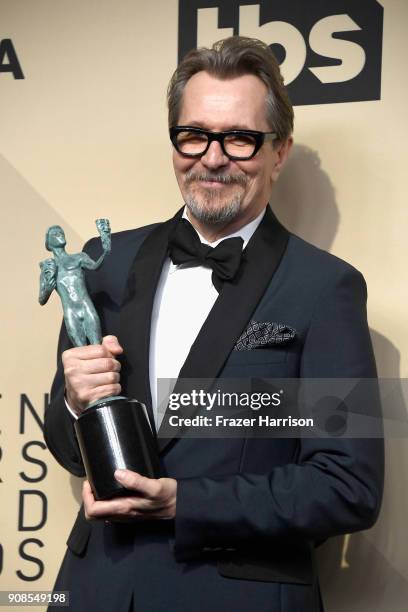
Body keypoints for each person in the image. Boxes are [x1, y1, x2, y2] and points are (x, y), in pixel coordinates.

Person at [44, 36, 384, 612]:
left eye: (241, 139)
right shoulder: (108, 262)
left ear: (280, 152)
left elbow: (347, 488)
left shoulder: (325, 288)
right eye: (194, 134)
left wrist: (186, 502)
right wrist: (75, 404)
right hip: (96, 589)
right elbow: (66, 440)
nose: (213, 157)